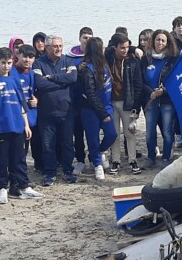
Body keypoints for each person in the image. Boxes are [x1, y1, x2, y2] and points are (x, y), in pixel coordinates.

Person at [0, 47, 42, 203]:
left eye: (8, 63)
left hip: (17, 126)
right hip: (0, 126)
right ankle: (2, 189)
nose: (6, 66)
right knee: (2, 159)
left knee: (19, 158)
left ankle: (24, 187)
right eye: (3, 63)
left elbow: (22, 104)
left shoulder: (14, 79)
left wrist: (26, 125)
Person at [33, 35, 79, 185]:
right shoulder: (38, 64)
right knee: (48, 145)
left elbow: (72, 78)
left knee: (67, 144)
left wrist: (51, 77)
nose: (59, 49)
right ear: (47, 48)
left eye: (60, 45)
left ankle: (68, 171)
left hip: (66, 111)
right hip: (46, 113)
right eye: (55, 46)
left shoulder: (68, 61)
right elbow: (40, 84)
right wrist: (61, 82)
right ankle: (50, 173)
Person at [77, 37, 118, 181]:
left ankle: (99, 152)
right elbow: (90, 93)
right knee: (92, 138)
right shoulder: (87, 69)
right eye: (101, 48)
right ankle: (97, 164)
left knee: (112, 134)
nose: (104, 49)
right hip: (91, 109)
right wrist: (102, 113)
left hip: (106, 106)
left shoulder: (105, 62)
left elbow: (117, 46)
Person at [106, 33, 146, 175]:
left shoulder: (133, 62)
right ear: (115, 47)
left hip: (127, 103)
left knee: (130, 133)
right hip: (111, 102)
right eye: (122, 48)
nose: (125, 50)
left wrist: (136, 109)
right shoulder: (108, 58)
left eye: (127, 47)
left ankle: (132, 160)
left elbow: (138, 86)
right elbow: (105, 49)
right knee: (114, 134)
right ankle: (116, 161)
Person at [141, 29, 179, 169]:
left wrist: (164, 90)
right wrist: (150, 92)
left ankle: (166, 157)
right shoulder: (146, 59)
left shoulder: (172, 59)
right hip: (150, 101)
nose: (160, 43)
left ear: (167, 43)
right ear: (153, 40)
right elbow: (140, 80)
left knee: (168, 131)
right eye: (158, 39)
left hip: (167, 101)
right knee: (150, 131)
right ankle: (151, 157)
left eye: (163, 40)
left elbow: (175, 80)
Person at [67, 26, 93, 175]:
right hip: (75, 101)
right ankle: (80, 160)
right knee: (77, 133)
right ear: (80, 39)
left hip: (91, 101)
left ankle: (95, 157)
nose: (87, 40)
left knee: (92, 132)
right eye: (85, 37)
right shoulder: (71, 56)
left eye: (90, 38)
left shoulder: (95, 54)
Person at [13, 44, 41, 177]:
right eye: (25, 56)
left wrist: (37, 100)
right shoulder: (12, 72)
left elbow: (37, 91)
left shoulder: (32, 72)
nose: (27, 60)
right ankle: (16, 174)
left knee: (32, 144)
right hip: (17, 116)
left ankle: (35, 167)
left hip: (32, 115)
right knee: (19, 149)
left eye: (31, 57)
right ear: (18, 55)